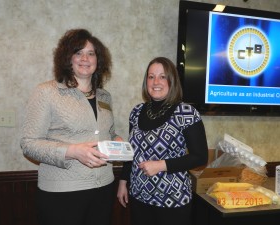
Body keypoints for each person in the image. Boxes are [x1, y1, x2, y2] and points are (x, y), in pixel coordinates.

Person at [20, 28, 123, 225]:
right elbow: (28, 144)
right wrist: (72, 151)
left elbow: (108, 132)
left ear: (98, 60)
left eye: (91, 53)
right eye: (78, 52)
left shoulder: (104, 96)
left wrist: (116, 140)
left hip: (103, 187)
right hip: (62, 193)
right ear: (67, 58)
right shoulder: (46, 92)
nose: (85, 58)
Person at [117, 57, 208, 225]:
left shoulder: (186, 113)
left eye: (162, 76)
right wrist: (123, 182)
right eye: (151, 77)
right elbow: (131, 152)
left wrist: (161, 165)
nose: (156, 81)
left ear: (172, 80)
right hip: (139, 196)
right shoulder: (136, 112)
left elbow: (200, 157)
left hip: (172, 200)